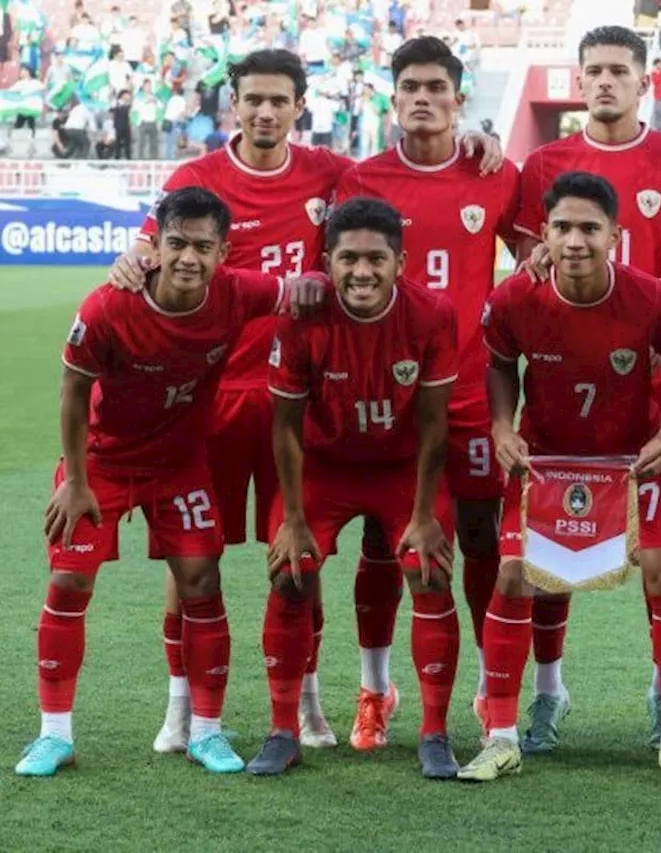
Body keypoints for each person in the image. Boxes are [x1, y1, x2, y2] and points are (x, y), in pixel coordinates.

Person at [110, 48, 501, 756]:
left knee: (300, 560)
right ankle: (181, 708)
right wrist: (129, 259)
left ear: (300, 106)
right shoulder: (193, 180)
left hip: (309, 403)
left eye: (277, 100)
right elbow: (147, 255)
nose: (264, 111)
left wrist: (479, 136)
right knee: (193, 556)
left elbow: (400, 191)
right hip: (217, 394)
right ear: (232, 103)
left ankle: (310, 706)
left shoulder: (331, 174)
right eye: (251, 99)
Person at [16, 187, 316, 777]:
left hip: (179, 465)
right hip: (102, 463)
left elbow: (302, 289)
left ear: (224, 251)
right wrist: (74, 480)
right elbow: (72, 391)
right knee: (70, 580)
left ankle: (205, 730)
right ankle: (54, 735)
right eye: (177, 243)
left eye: (204, 247)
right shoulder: (108, 305)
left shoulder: (236, 293)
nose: (189, 258)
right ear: (154, 244)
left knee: (202, 580)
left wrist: (340, 279)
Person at [462, 171, 661, 785]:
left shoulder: (651, 298)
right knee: (516, 577)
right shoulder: (517, 297)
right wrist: (501, 426)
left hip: (630, 463)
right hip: (547, 459)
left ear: (615, 235)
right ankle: (501, 734)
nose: (575, 240)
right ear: (543, 233)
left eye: (590, 228)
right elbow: (497, 362)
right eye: (563, 227)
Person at [511, 24, 661, 752]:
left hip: (647, 397)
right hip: (559, 394)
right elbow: (530, 271)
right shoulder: (544, 164)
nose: (602, 81)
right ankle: (548, 695)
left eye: (618, 70)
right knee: (548, 561)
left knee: (660, 560)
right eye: (592, 70)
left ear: (643, 79)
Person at [332, 36, 520, 751]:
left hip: (470, 392)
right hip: (385, 396)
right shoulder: (361, 179)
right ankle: (376, 688)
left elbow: (532, 259)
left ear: (457, 96)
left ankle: (481, 679)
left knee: (477, 539)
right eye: (409, 85)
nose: (422, 97)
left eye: (436, 87)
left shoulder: (496, 173)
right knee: (385, 541)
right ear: (393, 94)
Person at [245, 198, 460, 777]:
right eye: (347, 259)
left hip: (402, 467)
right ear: (327, 261)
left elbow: (436, 426)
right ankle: (282, 729)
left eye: (376, 259)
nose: (361, 272)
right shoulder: (300, 318)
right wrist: (291, 519)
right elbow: (285, 427)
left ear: (401, 262)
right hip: (324, 467)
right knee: (292, 571)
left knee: (427, 565)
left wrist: (422, 513)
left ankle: (434, 732)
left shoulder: (433, 313)